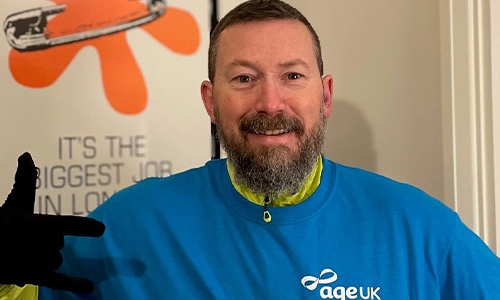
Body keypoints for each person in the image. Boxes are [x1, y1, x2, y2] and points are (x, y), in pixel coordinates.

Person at [1, 0, 499, 298]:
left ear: (323, 96)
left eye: (292, 76)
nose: (270, 102)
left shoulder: (418, 227)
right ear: (210, 101)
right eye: (244, 78)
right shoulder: (131, 224)